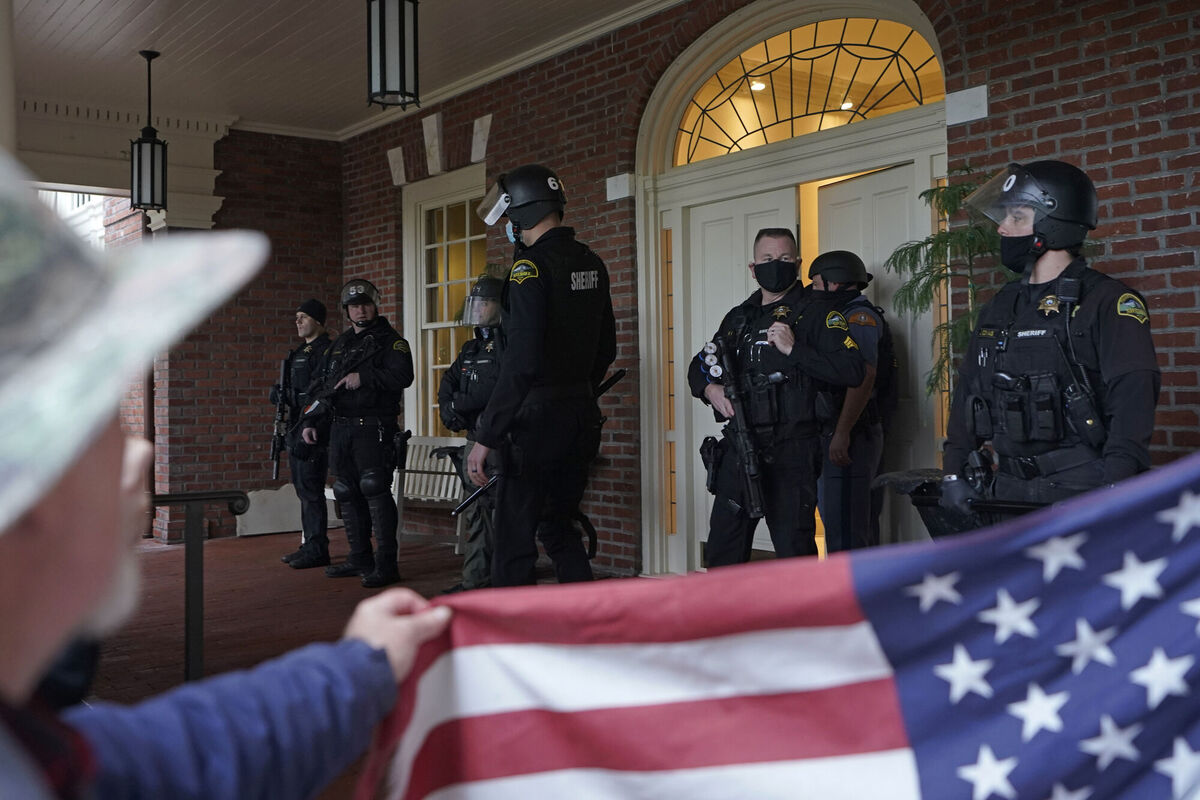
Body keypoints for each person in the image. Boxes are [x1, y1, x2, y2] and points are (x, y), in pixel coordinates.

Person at [0, 154, 451, 800]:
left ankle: (378, 558)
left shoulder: (41, 749)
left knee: (369, 497)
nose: (135, 458)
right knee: (344, 497)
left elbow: (177, 751)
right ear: (27, 502)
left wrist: (361, 667)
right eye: (95, 415)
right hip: (342, 431)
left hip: (371, 431)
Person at [942, 159, 1160, 526]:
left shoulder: (1107, 301)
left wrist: (1117, 484)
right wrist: (953, 470)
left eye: (1017, 217)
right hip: (1006, 492)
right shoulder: (1001, 305)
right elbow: (970, 392)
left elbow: (1133, 395)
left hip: (1080, 489)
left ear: (1053, 224)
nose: (1003, 227)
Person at [467, 163, 616, 587]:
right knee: (558, 527)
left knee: (514, 540)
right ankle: (584, 622)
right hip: (581, 417)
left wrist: (488, 435)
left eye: (509, 218)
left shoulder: (529, 269)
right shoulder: (591, 261)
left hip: (535, 425)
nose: (507, 228)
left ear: (521, 214)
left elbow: (522, 362)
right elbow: (607, 347)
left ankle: (512, 641)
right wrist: (576, 390)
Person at [687, 228, 865, 567]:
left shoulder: (819, 314)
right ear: (753, 268)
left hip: (792, 452)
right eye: (768, 260)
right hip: (739, 448)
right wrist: (710, 390)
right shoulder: (738, 317)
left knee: (792, 555)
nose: (776, 266)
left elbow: (853, 371)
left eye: (785, 259)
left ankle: (799, 621)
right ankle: (725, 620)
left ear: (798, 264)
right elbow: (701, 365)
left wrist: (794, 349)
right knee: (724, 551)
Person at [301, 279, 414, 588]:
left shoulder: (392, 341)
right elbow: (325, 386)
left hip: (373, 427)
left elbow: (404, 375)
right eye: (354, 306)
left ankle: (386, 564)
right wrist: (311, 422)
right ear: (347, 311)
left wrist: (364, 377)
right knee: (346, 491)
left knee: (374, 489)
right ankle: (359, 557)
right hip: (341, 428)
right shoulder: (340, 344)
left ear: (375, 305)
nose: (360, 310)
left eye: (365, 304)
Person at [809, 250, 892, 552]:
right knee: (851, 521)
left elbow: (863, 377)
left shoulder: (858, 318)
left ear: (837, 283)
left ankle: (850, 596)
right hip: (841, 430)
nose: (813, 291)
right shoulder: (837, 315)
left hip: (852, 433)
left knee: (847, 527)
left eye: (817, 284)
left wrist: (842, 432)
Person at [438, 275, 504, 593]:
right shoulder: (471, 347)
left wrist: (458, 404)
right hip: (472, 436)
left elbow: (492, 389)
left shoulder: (507, 344)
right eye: (475, 304)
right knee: (478, 512)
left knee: (491, 510)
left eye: (485, 303)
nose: (478, 310)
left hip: (495, 442)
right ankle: (477, 579)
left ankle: (483, 581)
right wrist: (448, 408)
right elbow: (448, 382)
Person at [274, 298, 334, 569]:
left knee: (311, 490)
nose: (298, 321)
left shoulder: (325, 351)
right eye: (297, 316)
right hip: (296, 427)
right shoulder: (300, 351)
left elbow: (320, 393)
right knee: (303, 489)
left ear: (319, 321)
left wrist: (298, 401)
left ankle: (317, 548)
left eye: (304, 317)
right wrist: (280, 394)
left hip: (313, 429)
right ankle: (310, 543)